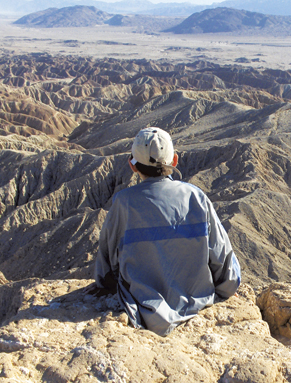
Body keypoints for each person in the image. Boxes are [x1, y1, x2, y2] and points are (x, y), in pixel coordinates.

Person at [93, 127, 241, 336]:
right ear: (174, 161)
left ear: (132, 166)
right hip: (198, 306)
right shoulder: (196, 197)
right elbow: (221, 256)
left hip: (144, 312)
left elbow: (106, 265)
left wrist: (106, 286)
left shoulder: (123, 203)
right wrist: (227, 289)